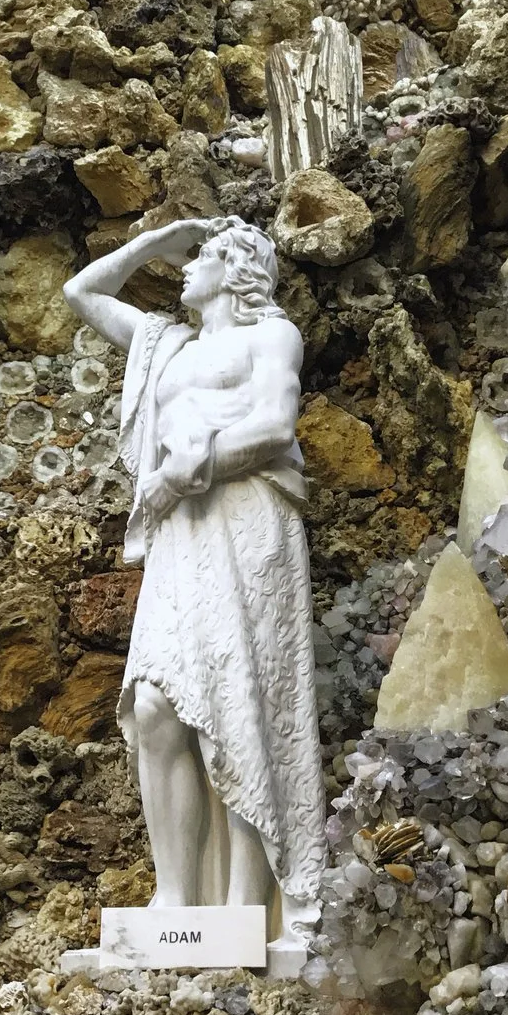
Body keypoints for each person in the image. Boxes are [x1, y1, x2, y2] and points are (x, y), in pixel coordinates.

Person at [62, 217, 323, 961]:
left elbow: (275, 425)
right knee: (156, 706)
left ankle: (246, 904)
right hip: (181, 533)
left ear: (237, 271)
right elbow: (82, 289)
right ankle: (175, 899)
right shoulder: (163, 344)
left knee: (240, 700)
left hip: (244, 518)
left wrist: (186, 468)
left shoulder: (271, 337)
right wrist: (160, 237)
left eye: (199, 256)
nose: (183, 268)